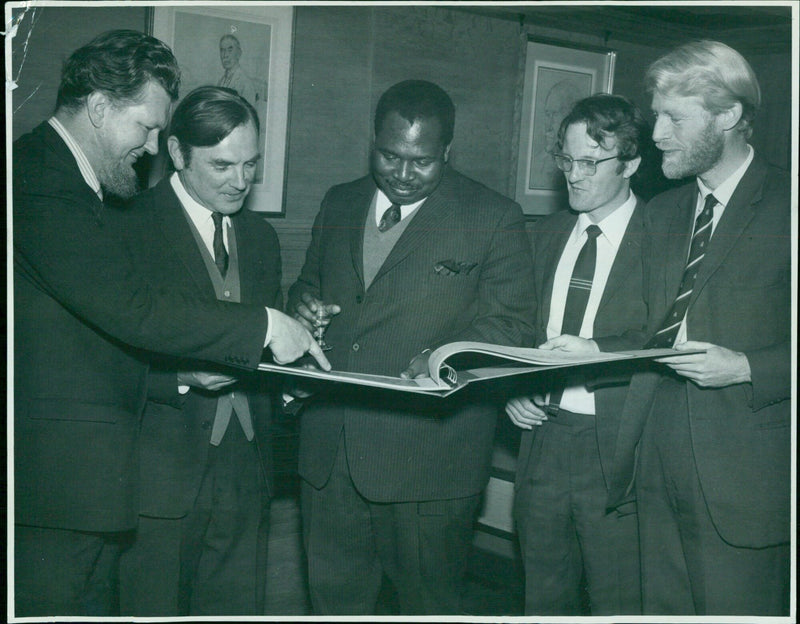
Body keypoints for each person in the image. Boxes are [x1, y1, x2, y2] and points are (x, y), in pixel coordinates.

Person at [12, 30, 328, 617]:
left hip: (239, 476)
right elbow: (130, 313)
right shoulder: (56, 187)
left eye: (251, 165)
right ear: (101, 108)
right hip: (112, 480)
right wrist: (256, 329)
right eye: (148, 128)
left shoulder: (253, 237)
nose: (153, 145)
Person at [287, 79, 536, 615]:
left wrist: (442, 359)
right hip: (331, 459)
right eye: (388, 155)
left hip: (430, 465)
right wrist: (304, 307)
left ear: (447, 151)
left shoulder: (494, 217)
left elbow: (512, 328)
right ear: (372, 140)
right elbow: (308, 283)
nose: (401, 174)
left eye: (421, 162)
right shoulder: (340, 199)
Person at [620, 40, 790, 615]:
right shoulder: (662, 211)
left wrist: (745, 367)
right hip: (654, 466)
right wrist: (585, 348)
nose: (658, 135)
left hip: (747, 482)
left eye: (674, 118)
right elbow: (647, 331)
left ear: (730, 116)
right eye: (656, 116)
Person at [116, 87, 278, 615]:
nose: (241, 181)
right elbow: (98, 360)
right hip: (159, 470)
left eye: (251, 164)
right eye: (223, 165)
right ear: (179, 153)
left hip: (248, 465)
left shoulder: (261, 238)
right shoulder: (127, 226)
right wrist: (181, 377)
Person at [506, 94, 650, 615]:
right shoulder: (544, 235)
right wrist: (514, 386)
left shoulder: (663, 239)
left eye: (591, 162)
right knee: (543, 592)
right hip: (542, 438)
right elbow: (520, 327)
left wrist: (596, 351)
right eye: (567, 160)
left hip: (617, 447)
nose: (574, 175)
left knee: (618, 598)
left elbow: (668, 337)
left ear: (631, 163)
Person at [217, 34, 261, 106]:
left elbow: (248, 115)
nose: (225, 55)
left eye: (230, 50)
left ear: (238, 53)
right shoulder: (221, 82)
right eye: (222, 50)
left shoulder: (246, 84)